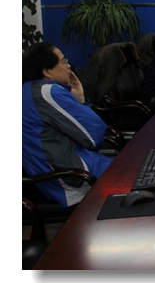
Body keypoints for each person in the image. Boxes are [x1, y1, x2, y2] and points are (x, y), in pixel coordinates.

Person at [22, 42, 113, 208]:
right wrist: (81, 101)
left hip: (52, 176)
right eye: (63, 61)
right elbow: (94, 137)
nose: (68, 66)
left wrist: (78, 99)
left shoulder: (28, 90)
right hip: (75, 179)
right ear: (46, 71)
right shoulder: (48, 93)